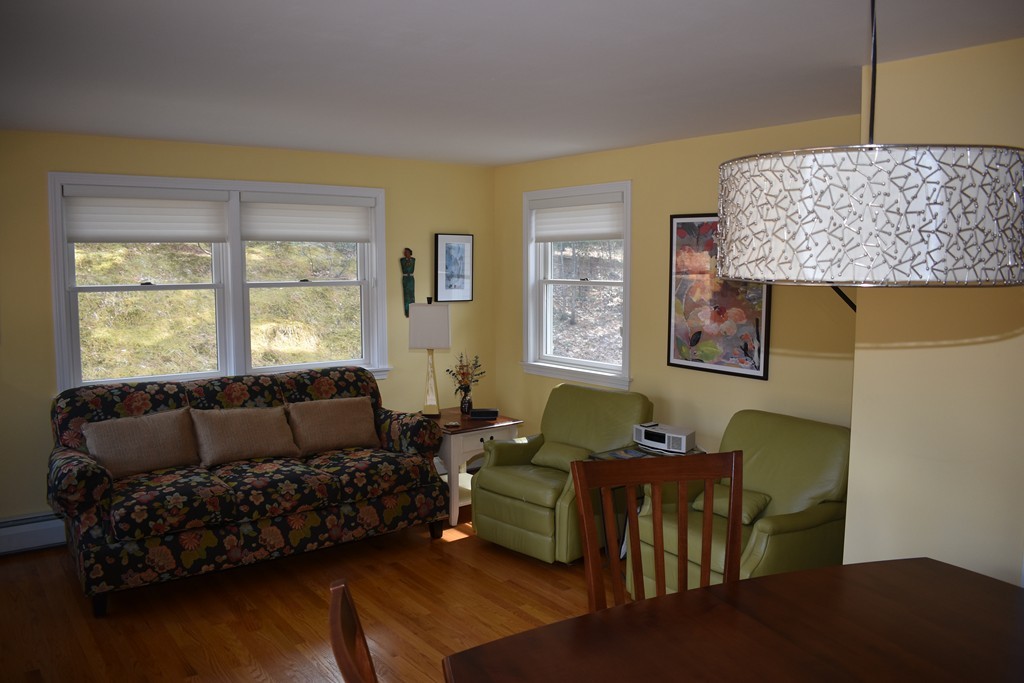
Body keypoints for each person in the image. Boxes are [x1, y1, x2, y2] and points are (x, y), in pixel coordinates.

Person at [401, 247, 415, 317]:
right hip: (405, 278)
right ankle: (407, 312)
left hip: (411, 278)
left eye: (406, 252)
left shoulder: (413, 260)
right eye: (404, 252)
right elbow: (405, 265)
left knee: (411, 295)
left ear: (409, 252)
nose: (404, 253)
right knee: (406, 295)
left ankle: (412, 311)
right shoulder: (402, 260)